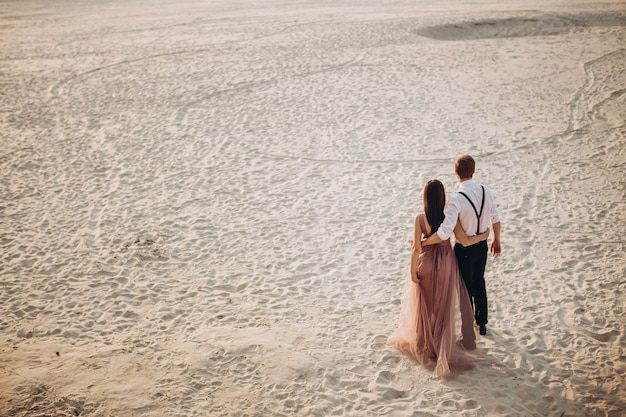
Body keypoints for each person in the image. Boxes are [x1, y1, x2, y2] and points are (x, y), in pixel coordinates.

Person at [389, 179, 489, 379]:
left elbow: (417, 248)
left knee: (425, 304)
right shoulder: (450, 216)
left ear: (425, 198)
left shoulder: (419, 218)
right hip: (446, 264)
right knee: (443, 306)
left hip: (425, 263)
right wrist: (484, 235)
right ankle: (440, 346)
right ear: (443, 196)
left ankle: (426, 344)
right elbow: (465, 240)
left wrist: (411, 271)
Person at [422, 155, 501, 336]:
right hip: (482, 246)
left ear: (455, 173)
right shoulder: (486, 191)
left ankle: (468, 327)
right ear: (473, 171)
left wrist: (425, 242)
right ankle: (482, 323)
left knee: (465, 289)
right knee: (479, 281)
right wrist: (497, 239)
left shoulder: (455, 200)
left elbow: (444, 232)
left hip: (464, 250)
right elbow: (495, 218)